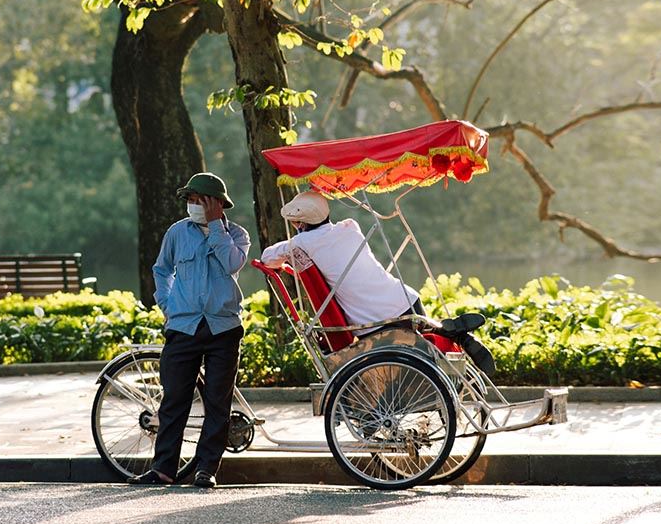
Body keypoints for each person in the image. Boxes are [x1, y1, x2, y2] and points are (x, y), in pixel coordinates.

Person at [261, 190, 495, 374]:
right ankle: (451, 332)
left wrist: (294, 244)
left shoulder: (301, 244)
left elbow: (267, 258)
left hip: (376, 322)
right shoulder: (350, 227)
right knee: (422, 336)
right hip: (407, 299)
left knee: (407, 356)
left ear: (299, 224)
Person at [130, 173, 250, 488]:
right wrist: (168, 305)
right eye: (190, 200)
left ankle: (206, 469)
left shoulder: (237, 235)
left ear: (219, 204)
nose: (193, 205)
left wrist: (215, 227)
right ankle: (163, 468)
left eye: (200, 200)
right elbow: (161, 269)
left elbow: (232, 264)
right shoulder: (176, 233)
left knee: (217, 401)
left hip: (223, 327)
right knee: (174, 400)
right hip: (182, 327)